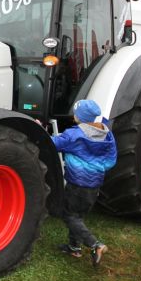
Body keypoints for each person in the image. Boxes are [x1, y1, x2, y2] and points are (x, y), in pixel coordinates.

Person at [53, 99, 117, 266]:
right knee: (78, 216)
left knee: (68, 215)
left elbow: (54, 144)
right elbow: (111, 161)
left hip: (77, 184)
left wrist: (39, 128)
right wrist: (96, 167)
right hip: (95, 185)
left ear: (80, 117)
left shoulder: (74, 135)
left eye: (76, 113)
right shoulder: (107, 134)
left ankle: (96, 245)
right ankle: (74, 248)